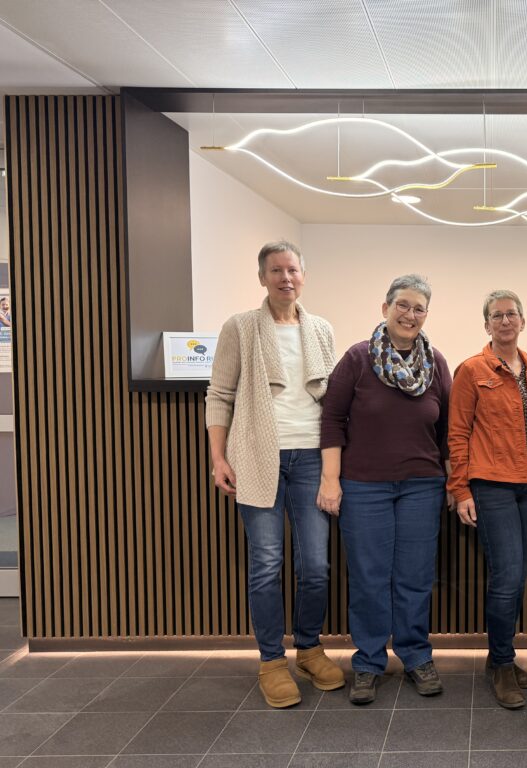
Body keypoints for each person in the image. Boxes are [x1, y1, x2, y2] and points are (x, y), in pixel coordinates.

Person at [206, 240, 344, 708]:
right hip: (256, 456)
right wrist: (219, 458)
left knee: (316, 566)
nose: (286, 278)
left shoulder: (321, 328)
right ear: (262, 277)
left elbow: (333, 400)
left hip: (311, 459)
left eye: (292, 270)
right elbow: (219, 394)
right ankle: (270, 660)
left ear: (303, 275)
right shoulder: (240, 327)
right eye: (276, 270)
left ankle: (309, 649)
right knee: (266, 564)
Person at [319, 274, 451, 705]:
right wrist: (331, 480)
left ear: (426, 315)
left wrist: (454, 482)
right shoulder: (358, 358)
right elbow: (331, 420)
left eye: (418, 308)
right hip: (364, 487)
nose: (410, 315)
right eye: (402, 305)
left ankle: (416, 657)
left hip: (422, 487)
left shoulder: (436, 363)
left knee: (415, 577)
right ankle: (368, 662)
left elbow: (449, 431)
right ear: (385, 308)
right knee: (369, 577)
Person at [448, 290, 527, 709]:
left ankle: (499, 657)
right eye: (497, 315)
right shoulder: (471, 370)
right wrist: (460, 490)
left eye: (511, 314)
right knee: (507, 576)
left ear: (522, 321)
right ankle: (503, 665)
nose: (505, 321)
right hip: (493, 487)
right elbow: (457, 434)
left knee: (517, 575)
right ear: (487, 324)